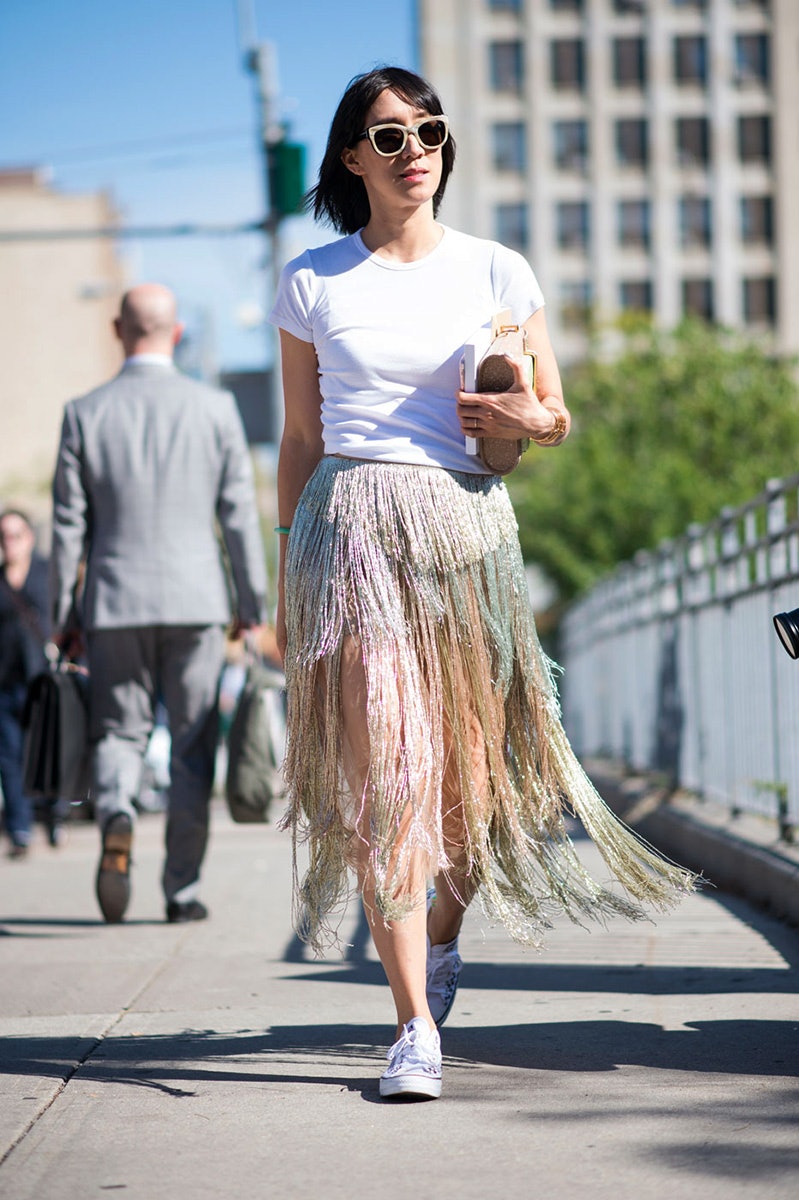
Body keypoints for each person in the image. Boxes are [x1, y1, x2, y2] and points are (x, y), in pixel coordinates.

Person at [269, 66, 695, 1102]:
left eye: (427, 130)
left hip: (467, 534)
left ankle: (441, 946)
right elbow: (299, 435)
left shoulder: (496, 270)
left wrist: (522, 421)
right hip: (353, 529)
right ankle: (412, 1025)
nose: (412, 148)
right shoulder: (313, 280)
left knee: (463, 785)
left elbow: (554, 411)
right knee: (389, 780)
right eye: (386, 135)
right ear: (348, 159)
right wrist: (289, 572)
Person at [50, 283, 267, 924]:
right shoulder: (216, 409)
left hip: (114, 600)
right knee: (194, 742)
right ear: (176, 335)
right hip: (196, 598)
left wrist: (67, 614)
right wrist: (250, 602)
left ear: (119, 331)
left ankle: (116, 810)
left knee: (119, 730)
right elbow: (237, 516)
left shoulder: (84, 412)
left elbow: (67, 528)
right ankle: (180, 891)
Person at [0, 509, 50, 857]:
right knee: (9, 756)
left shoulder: (47, 575)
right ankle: (20, 828)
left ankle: (54, 815)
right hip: (4, 682)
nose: (9, 543)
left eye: (16, 535)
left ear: (30, 538)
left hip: (43, 680)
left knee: (45, 751)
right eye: (4, 536)